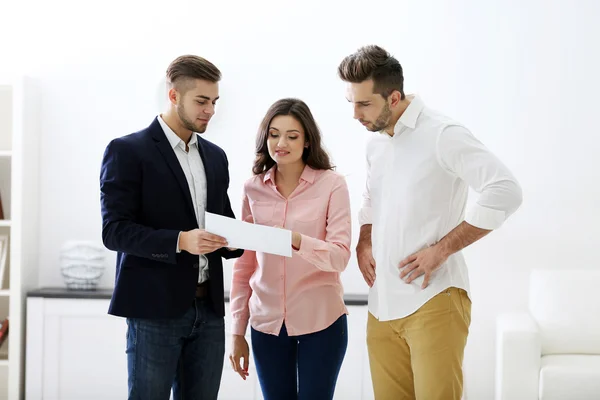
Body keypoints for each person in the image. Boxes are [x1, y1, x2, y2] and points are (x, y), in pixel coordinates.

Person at [337, 45, 523, 400]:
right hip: (382, 306)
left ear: (393, 97)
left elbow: (506, 190)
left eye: (363, 104)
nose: (355, 114)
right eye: (351, 103)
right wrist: (363, 241)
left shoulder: (442, 134)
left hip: (434, 299)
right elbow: (371, 200)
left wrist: (443, 249)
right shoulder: (374, 144)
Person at [99, 54, 244, 400]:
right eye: (201, 101)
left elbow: (222, 222)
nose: (210, 110)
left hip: (208, 311)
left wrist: (241, 238)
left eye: (214, 102)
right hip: (153, 311)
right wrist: (180, 241)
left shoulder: (216, 156)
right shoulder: (127, 151)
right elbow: (114, 231)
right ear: (174, 95)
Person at [228, 98, 352, 400]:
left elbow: (340, 257)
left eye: (292, 136)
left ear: (307, 140)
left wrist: (296, 240)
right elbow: (245, 266)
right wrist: (236, 332)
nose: (281, 143)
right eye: (273, 134)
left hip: (321, 321)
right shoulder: (251, 188)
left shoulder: (332, 185)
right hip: (266, 323)